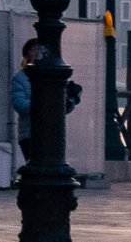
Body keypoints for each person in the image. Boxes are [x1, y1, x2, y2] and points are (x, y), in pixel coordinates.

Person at [9, 38, 80, 166]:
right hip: (30, 134)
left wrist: (70, 100)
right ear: (26, 54)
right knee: (36, 171)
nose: (37, 53)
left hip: (52, 133)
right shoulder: (20, 78)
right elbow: (20, 105)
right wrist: (44, 102)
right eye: (33, 49)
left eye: (41, 50)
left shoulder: (52, 76)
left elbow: (60, 109)